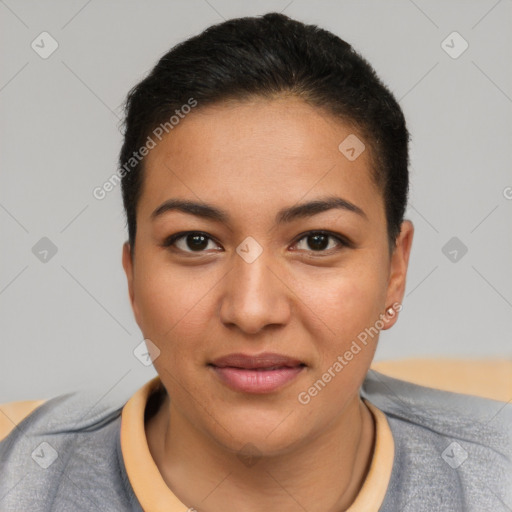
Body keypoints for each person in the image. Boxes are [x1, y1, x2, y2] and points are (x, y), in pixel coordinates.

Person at [0, 12, 510, 512]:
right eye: (196, 241)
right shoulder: (20, 480)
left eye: (316, 241)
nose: (251, 310)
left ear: (394, 274)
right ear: (133, 276)